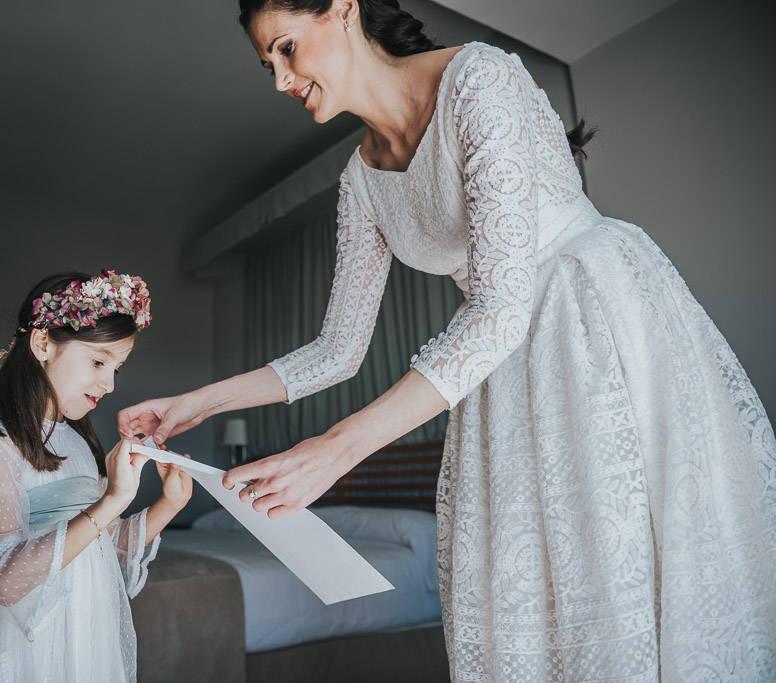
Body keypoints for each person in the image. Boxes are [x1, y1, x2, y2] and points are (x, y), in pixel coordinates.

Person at [118, 1, 776, 679]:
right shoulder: (360, 183)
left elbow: (500, 305)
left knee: (619, 561)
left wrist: (333, 449)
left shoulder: (478, 80)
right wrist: (197, 403)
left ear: (343, 10)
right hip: (494, 365)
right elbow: (337, 348)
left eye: (285, 48)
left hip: (591, 323)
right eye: (268, 64)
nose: (280, 80)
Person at [0, 271, 192, 683]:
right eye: (99, 361)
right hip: (26, 637)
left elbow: (105, 546)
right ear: (43, 343)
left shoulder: (83, 443)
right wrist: (112, 500)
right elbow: (5, 583)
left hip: (86, 625)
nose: (108, 384)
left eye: (117, 368)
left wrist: (169, 503)